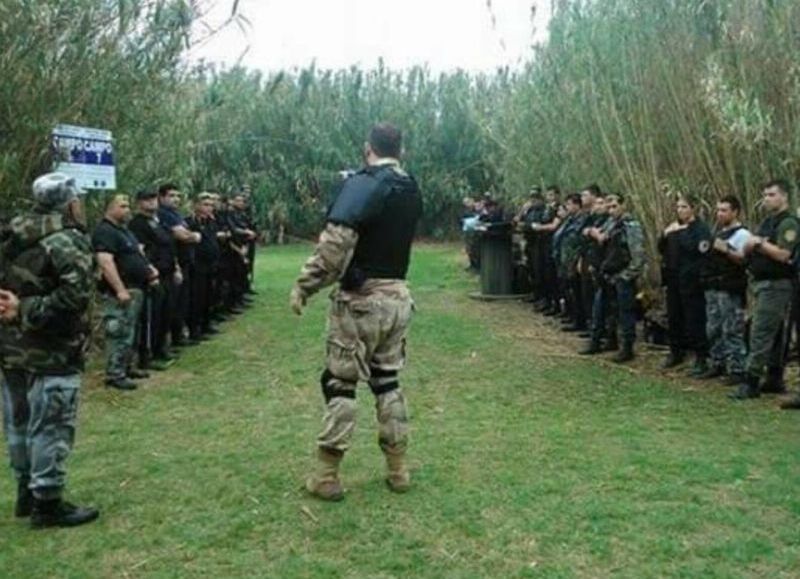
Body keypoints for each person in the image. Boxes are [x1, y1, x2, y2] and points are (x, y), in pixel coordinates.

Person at [290, 122, 422, 501]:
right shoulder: (410, 188)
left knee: (340, 383)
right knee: (387, 382)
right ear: (402, 150)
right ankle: (398, 470)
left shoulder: (363, 184)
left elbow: (334, 248)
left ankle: (327, 475)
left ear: (368, 148)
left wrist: (305, 286)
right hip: (398, 298)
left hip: (361, 300)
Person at [0, 172, 99, 527]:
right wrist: (25, 310)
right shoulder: (66, 241)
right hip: (53, 351)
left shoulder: (11, 232)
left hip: (10, 349)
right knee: (52, 425)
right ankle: (48, 502)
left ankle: (26, 492)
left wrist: (14, 309)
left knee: (19, 423)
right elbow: (75, 298)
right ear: (71, 203)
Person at [730, 180, 800, 399]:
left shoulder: (788, 223)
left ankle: (751, 380)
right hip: (762, 282)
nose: (767, 199)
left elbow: (783, 254)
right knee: (775, 332)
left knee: (760, 331)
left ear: (784, 197)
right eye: (765, 195)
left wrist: (758, 243)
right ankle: (774, 376)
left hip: (776, 284)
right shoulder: (768, 221)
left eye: (772, 194)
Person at [93, 194, 158, 390]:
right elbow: (105, 262)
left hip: (136, 288)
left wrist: (149, 269)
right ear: (110, 208)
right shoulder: (105, 231)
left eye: (128, 206)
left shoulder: (123, 231)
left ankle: (127, 366)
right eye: (122, 206)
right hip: (121, 291)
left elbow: (137, 253)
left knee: (131, 331)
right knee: (119, 331)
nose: (127, 210)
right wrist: (120, 289)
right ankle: (114, 373)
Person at [579, 193, 644, 362]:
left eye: (614, 206)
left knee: (625, 313)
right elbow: (599, 237)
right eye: (609, 207)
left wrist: (626, 276)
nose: (611, 210)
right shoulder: (611, 223)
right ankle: (605, 341)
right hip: (608, 275)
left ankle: (627, 348)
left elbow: (638, 255)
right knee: (604, 310)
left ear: (623, 205)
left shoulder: (631, 225)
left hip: (622, 275)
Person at [657, 195, 712, 376]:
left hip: (692, 281)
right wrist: (665, 234)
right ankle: (676, 352)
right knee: (674, 317)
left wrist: (680, 232)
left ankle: (701, 357)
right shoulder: (674, 227)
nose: (680, 210)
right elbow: (662, 248)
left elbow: (698, 249)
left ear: (693, 208)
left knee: (695, 319)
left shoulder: (700, 229)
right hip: (674, 279)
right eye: (678, 207)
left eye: (684, 207)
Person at [697, 195, 749, 383]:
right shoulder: (717, 232)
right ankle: (718, 363)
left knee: (731, 329)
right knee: (714, 328)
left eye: (724, 210)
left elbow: (744, 260)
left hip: (729, 288)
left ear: (735, 212)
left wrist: (726, 249)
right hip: (713, 287)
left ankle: (737, 369)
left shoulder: (742, 234)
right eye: (718, 210)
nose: (720, 214)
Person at [129, 190, 181, 370]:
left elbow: (169, 245)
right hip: (153, 274)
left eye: (153, 199)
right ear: (138, 203)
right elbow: (139, 250)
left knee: (165, 312)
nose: (151, 203)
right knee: (152, 316)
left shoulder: (158, 221)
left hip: (167, 271)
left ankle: (160, 348)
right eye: (146, 200)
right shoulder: (137, 224)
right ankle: (146, 357)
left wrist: (176, 268)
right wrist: (149, 272)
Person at [157, 184, 201, 347]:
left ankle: (178, 336)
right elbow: (181, 235)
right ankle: (172, 339)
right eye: (171, 195)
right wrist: (194, 236)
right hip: (174, 264)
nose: (176, 199)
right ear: (161, 198)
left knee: (182, 301)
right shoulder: (163, 214)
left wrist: (189, 235)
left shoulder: (176, 214)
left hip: (185, 262)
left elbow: (183, 233)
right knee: (173, 304)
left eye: (178, 196)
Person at [186, 193, 222, 341]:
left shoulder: (211, 223)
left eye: (211, 205)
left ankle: (206, 324)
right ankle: (194, 329)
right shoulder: (190, 222)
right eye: (205, 205)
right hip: (197, 265)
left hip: (211, 264)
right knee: (197, 298)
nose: (209, 208)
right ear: (196, 206)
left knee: (209, 295)